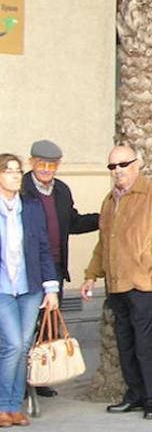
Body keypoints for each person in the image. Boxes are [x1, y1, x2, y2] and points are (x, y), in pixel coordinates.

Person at [81, 145, 152, 420]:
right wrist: (91, 274)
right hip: (118, 284)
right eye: (112, 166)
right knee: (125, 344)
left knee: (147, 346)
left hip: (146, 284)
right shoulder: (109, 200)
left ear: (137, 164)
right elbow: (104, 243)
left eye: (123, 164)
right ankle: (135, 395)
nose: (118, 171)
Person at [21, 139, 99, 398]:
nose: (45, 169)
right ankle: (18, 382)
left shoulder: (62, 190)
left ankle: (41, 378)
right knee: (25, 327)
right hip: (27, 268)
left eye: (51, 164)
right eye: (41, 163)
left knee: (49, 325)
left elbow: (72, 222)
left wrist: (103, 219)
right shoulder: (19, 188)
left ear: (58, 165)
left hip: (54, 267)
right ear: (31, 162)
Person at [0, 153, 59, 427]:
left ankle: (14, 407)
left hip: (30, 287)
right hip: (2, 290)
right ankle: (3, 405)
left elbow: (44, 249)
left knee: (23, 347)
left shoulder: (31, 207)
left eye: (16, 170)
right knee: (12, 345)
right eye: (8, 170)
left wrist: (51, 289)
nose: (14, 175)